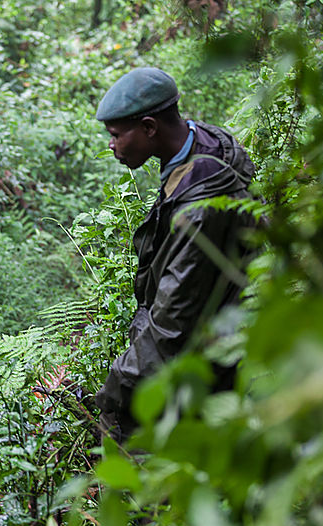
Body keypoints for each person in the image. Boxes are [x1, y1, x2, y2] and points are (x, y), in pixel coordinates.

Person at [94, 67, 257, 442]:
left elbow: (171, 323)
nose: (112, 145)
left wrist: (113, 391)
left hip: (210, 355)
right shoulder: (207, 142)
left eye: (117, 135)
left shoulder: (199, 208)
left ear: (150, 128)